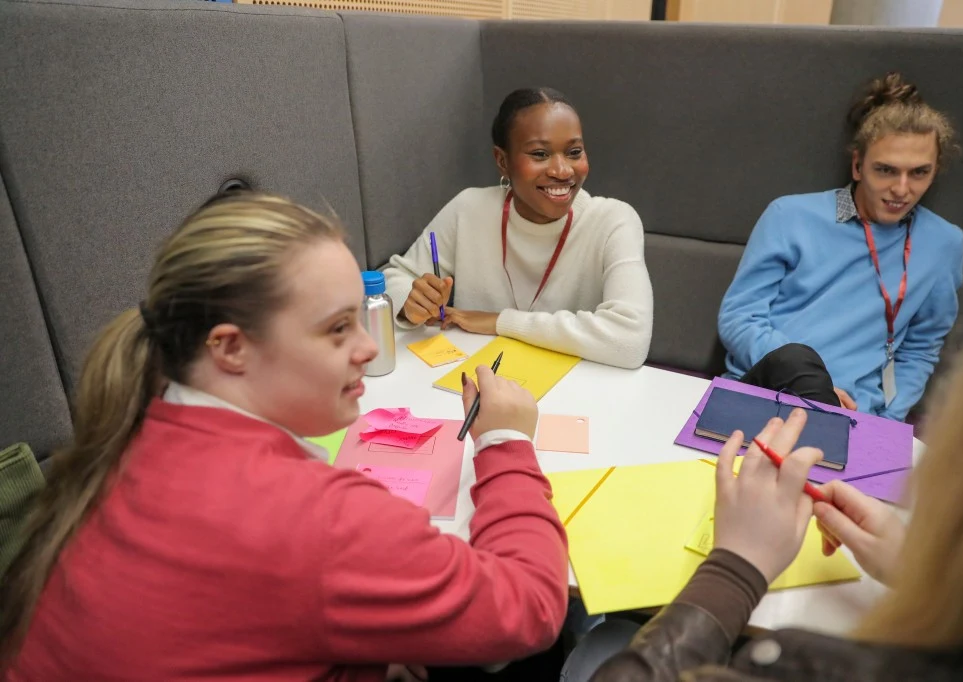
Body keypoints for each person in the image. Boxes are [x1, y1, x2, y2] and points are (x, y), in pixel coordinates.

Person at [0, 192, 569, 680]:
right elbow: (530, 607)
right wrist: (506, 443)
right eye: (338, 327)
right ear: (229, 347)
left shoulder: (128, 438)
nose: (369, 347)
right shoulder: (318, 519)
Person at [563, 276, 963, 682]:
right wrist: (920, 573)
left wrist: (735, 567)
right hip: (802, 387)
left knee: (605, 648)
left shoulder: (802, 662)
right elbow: (740, 319)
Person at [718, 72, 963, 421]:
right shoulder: (791, 215)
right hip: (768, 389)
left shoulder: (944, 243)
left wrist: (886, 419)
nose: (902, 189)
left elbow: (921, 347)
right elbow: (739, 318)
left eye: (919, 173)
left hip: (858, 415)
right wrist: (809, 383)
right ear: (858, 166)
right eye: (886, 170)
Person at [383, 87, 654, 370]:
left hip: (578, 392)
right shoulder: (469, 208)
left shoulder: (614, 221)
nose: (562, 170)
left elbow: (629, 340)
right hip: (479, 384)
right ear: (503, 161)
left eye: (574, 152)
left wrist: (500, 321)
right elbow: (392, 279)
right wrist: (410, 301)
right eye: (540, 154)